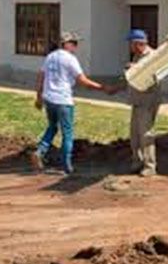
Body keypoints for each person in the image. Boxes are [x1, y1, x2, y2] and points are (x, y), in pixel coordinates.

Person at [31, 31, 111, 175]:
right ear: (66, 44)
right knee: (67, 133)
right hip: (63, 100)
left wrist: (39, 97)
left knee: (52, 127)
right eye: (74, 43)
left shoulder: (50, 57)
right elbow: (82, 80)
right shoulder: (70, 59)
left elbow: (41, 77)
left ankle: (40, 151)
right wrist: (103, 88)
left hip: (49, 99)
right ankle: (67, 166)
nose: (76, 46)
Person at [124, 29, 160, 177]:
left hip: (147, 101)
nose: (129, 47)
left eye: (131, 43)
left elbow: (152, 77)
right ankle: (137, 161)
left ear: (139, 43)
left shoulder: (153, 56)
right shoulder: (137, 56)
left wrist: (134, 69)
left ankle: (150, 166)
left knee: (146, 134)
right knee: (134, 134)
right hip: (137, 100)